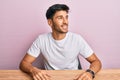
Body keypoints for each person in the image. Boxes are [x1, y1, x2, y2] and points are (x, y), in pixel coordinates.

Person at [19, 4, 102, 80]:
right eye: (60, 18)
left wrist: (90, 72)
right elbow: (24, 63)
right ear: (50, 22)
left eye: (66, 17)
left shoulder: (77, 39)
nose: (66, 22)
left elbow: (96, 62)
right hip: (51, 78)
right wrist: (33, 70)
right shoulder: (41, 40)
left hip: (75, 77)